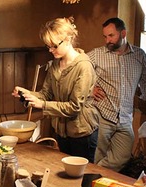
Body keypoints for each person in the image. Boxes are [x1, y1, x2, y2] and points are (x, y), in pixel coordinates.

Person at [12, 17, 99, 161]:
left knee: (80, 178)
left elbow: (74, 107)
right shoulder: (55, 65)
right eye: (48, 46)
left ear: (68, 39)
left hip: (82, 133)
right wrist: (27, 94)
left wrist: (43, 105)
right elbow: (45, 94)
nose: (51, 50)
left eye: (54, 46)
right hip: (61, 131)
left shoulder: (84, 66)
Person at [87, 17, 146, 171]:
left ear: (123, 33)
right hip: (102, 116)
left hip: (125, 118)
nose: (107, 40)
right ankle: (91, 186)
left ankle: (92, 174)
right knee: (96, 155)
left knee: (122, 157)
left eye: (111, 35)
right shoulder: (97, 54)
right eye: (105, 36)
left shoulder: (139, 55)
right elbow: (78, 72)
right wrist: (90, 89)